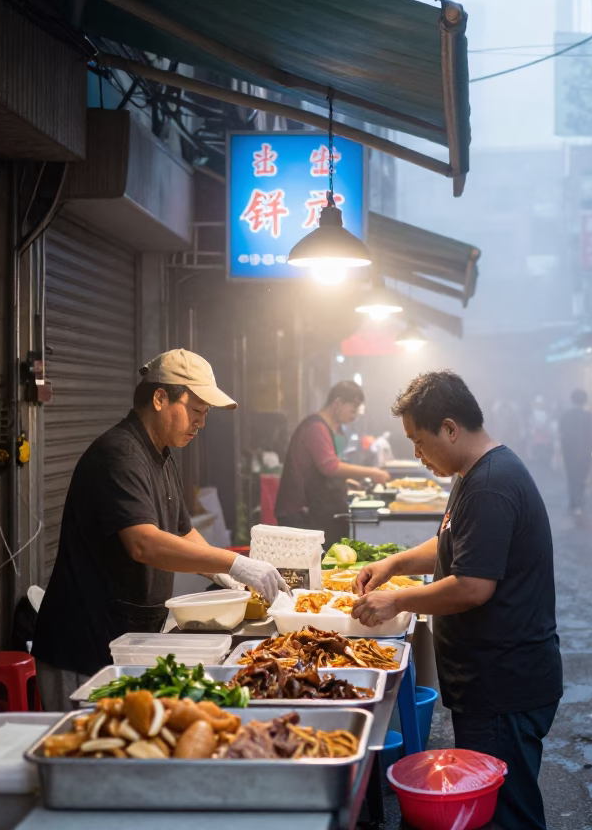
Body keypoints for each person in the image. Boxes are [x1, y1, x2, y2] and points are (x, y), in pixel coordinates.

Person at [351, 371, 561, 830]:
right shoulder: (475, 474)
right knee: (496, 809)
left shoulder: (490, 484)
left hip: (505, 685)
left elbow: (472, 585)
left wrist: (398, 601)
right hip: (492, 681)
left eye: (418, 441)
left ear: (450, 427)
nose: (416, 454)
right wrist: (394, 564)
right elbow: (453, 545)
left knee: (509, 816)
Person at [32, 349, 288, 710]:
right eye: (196, 410)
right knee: (85, 753)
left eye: (205, 414)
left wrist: (225, 573)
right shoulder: (120, 454)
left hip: (125, 637)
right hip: (83, 645)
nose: (201, 422)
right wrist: (233, 564)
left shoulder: (160, 454)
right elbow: (144, 544)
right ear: (159, 398)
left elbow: (182, 532)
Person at [275, 381, 391, 543]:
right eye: (353, 408)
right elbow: (329, 467)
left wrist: (346, 481)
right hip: (300, 514)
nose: (355, 414)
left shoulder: (324, 428)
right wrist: (373, 472)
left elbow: (319, 469)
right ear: (338, 403)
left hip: (311, 511)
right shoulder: (315, 427)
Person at [559, 389, 592, 513]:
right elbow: (591, 436)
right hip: (584, 452)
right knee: (582, 477)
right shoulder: (588, 416)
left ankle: (573, 501)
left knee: (571, 477)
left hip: (569, 452)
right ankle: (580, 499)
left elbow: (562, 434)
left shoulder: (565, 415)